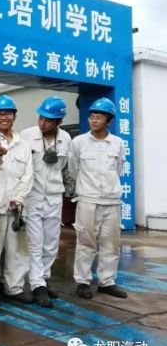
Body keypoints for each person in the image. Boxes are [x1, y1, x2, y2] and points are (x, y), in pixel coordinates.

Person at [69, 98, 128, 300]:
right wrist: (88, 188)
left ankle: (107, 282)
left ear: (108, 121)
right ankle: (83, 282)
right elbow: (74, 169)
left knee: (111, 244)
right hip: (88, 200)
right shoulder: (79, 142)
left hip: (111, 201)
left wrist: (108, 189)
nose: (94, 120)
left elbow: (117, 169)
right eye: (92, 117)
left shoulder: (118, 143)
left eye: (99, 117)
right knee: (85, 242)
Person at [0, 95, 34, 307]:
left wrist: (19, 198)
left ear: (14, 116)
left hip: (16, 208)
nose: (3, 117)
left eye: (7, 114)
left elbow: (28, 175)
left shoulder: (24, 145)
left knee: (17, 251)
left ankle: (14, 288)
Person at [21, 96, 72, 308]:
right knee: (35, 242)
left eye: (48, 120)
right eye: (41, 118)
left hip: (54, 196)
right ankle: (37, 285)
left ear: (59, 121)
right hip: (32, 196)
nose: (43, 123)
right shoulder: (27, 135)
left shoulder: (66, 139)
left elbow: (65, 167)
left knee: (51, 243)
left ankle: (44, 278)